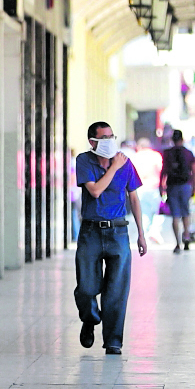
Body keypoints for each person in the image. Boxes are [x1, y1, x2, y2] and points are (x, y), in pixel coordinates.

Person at [74, 122, 147, 356]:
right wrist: (113, 168)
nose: (109, 140)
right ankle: (90, 318)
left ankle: (113, 341)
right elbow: (95, 191)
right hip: (90, 232)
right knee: (86, 288)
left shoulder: (125, 163)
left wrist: (141, 234)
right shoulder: (84, 161)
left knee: (116, 290)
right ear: (92, 142)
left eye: (111, 136)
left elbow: (134, 199)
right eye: (104, 137)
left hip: (118, 232)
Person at [160, 129, 195, 253]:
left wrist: (161, 186)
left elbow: (164, 170)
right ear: (182, 139)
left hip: (172, 186)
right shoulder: (188, 153)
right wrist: (194, 186)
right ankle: (186, 236)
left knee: (175, 215)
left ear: (172, 140)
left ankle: (177, 243)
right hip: (185, 185)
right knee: (186, 213)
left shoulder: (167, 153)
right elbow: (194, 171)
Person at [132, 137, 166, 245]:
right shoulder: (156, 156)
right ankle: (155, 231)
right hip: (155, 187)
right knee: (157, 211)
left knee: (143, 212)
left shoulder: (136, 157)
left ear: (139, 147)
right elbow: (162, 172)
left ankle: (144, 234)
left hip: (140, 188)